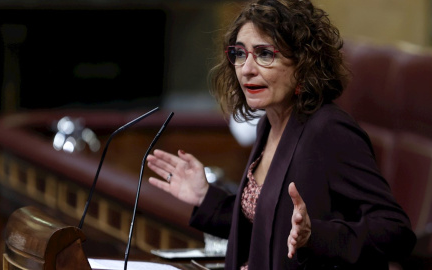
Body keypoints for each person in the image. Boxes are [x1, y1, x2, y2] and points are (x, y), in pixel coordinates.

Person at [147, 0, 417, 269]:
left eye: (265, 54)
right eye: (240, 53)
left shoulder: (329, 130)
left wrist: (316, 236)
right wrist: (206, 196)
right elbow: (265, 225)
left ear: (302, 62)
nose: (247, 69)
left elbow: (396, 233)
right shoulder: (270, 123)